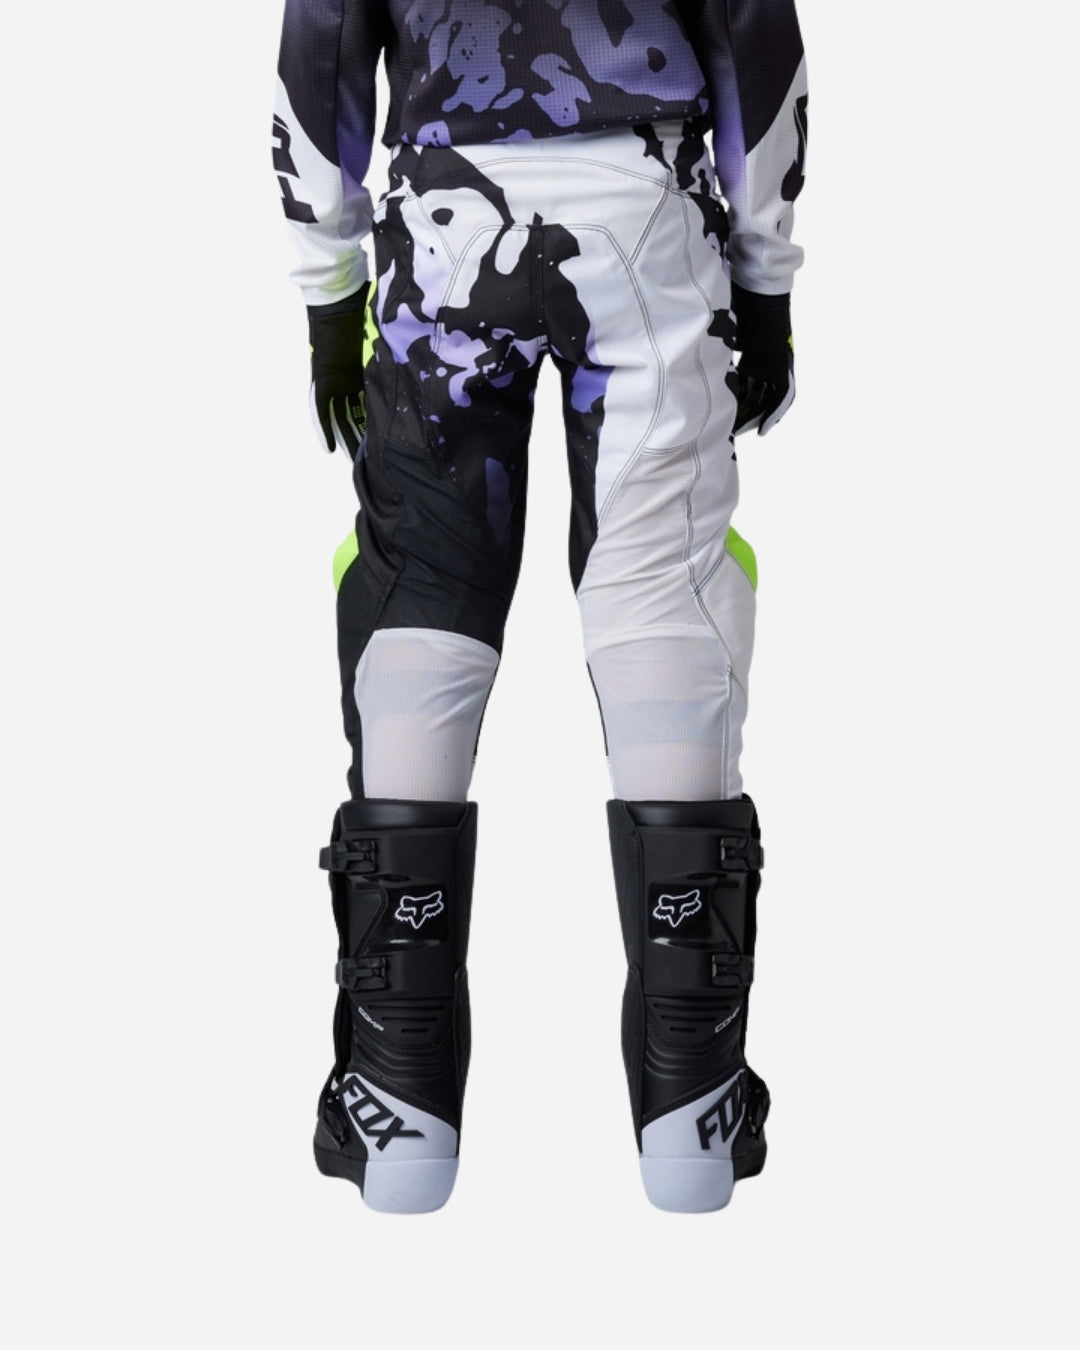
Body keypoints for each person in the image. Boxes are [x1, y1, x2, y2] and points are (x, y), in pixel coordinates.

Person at [273, 0, 807, 1214]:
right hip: (647, 215)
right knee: (662, 592)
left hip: (442, 218)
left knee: (423, 586)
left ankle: (398, 1104)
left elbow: (322, 39)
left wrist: (329, 290)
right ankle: (694, 1113)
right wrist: (766, 279)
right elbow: (755, 35)